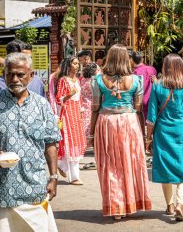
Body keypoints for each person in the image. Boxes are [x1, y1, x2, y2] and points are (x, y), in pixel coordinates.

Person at [0, 53, 61, 232]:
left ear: (31, 75)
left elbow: (50, 143)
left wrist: (54, 177)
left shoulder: (42, 105)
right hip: (1, 190)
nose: (14, 79)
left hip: (34, 187)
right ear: (4, 75)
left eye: (20, 74)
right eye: (10, 74)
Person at [90, 44, 151, 219]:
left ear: (109, 57)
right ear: (127, 59)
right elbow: (138, 108)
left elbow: (95, 107)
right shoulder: (137, 80)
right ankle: (130, 202)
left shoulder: (98, 80)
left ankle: (116, 206)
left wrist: (91, 133)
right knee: (130, 163)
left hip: (106, 122)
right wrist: (144, 134)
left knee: (110, 165)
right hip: (129, 122)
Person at [146, 53, 183, 222]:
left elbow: (151, 116)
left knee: (166, 169)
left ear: (165, 66)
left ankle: (169, 205)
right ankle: (179, 204)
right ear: (180, 67)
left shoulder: (158, 86)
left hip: (162, 132)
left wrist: (148, 138)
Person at [56, 56, 87, 185]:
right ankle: (74, 176)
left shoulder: (77, 80)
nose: (77, 66)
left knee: (78, 141)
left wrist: (81, 112)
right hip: (67, 112)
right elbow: (59, 99)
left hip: (76, 112)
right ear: (68, 65)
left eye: (77, 64)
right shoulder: (63, 80)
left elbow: (79, 98)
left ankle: (62, 166)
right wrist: (69, 94)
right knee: (70, 141)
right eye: (74, 63)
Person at [131, 51, 157, 122]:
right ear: (142, 59)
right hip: (150, 102)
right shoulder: (152, 69)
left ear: (132, 60)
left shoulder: (133, 73)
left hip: (138, 104)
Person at [80, 62, 99, 147]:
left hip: (84, 105)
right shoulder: (94, 81)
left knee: (85, 124)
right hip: (92, 105)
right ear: (94, 71)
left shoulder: (83, 80)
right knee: (91, 124)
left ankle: (84, 143)